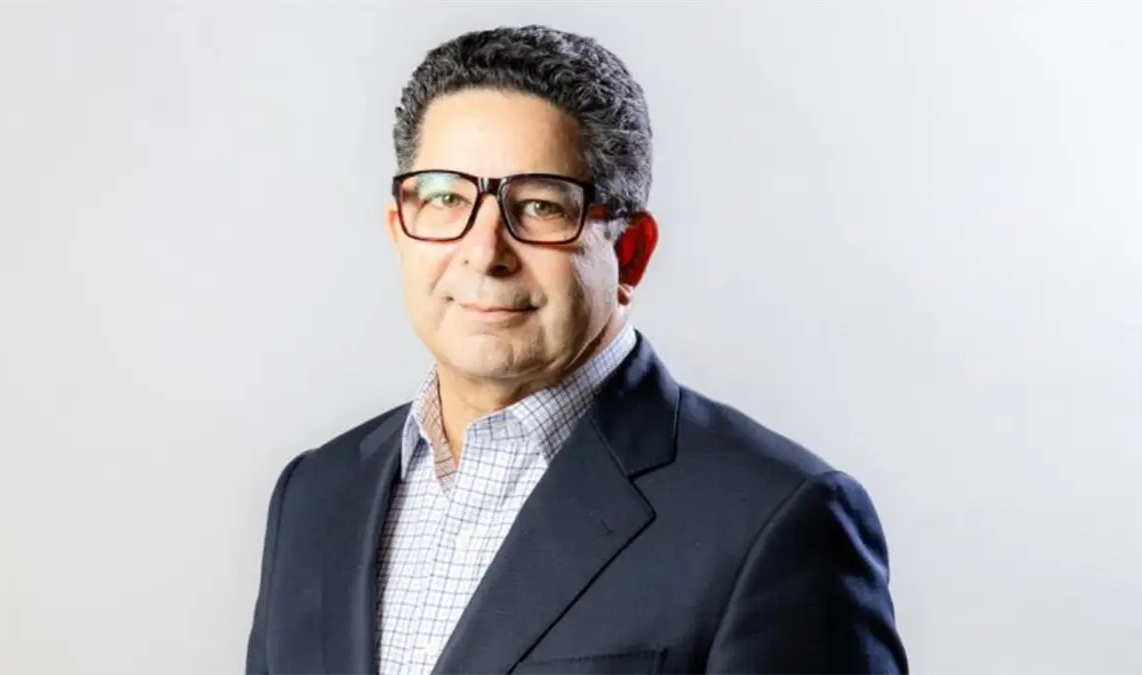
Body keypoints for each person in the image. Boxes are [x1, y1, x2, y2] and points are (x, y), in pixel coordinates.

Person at [245, 24, 908, 675]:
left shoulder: (776, 519)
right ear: (399, 230)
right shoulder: (315, 494)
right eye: (446, 198)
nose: (484, 251)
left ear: (631, 253)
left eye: (540, 206)